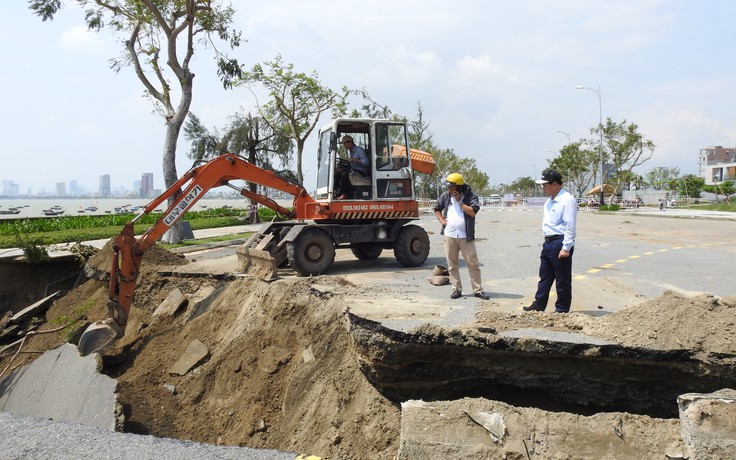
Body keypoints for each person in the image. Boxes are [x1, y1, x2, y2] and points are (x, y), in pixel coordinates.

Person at [523, 168, 578, 313]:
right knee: (545, 276)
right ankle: (539, 304)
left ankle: (561, 309)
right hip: (548, 243)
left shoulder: (567, 200)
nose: (543, 188)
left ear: (554, 184)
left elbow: (570, 226)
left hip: (560, 242)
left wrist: (566, 247)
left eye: (544, 185)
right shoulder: (550, 201)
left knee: (562, 279)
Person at [433, 173, 490, 300]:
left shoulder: (471, 196)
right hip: (450, 235)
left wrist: (460, 202)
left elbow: (472, 212)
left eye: (451, 187)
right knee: (452, 264)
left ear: (458, 187)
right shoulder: (445, 196)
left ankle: (478, 290)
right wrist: (442, 220)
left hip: (466, 236)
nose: (448, 189)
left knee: (473, 263)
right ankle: (456, 289)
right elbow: (436, 208)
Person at [337, 135, 369, 199]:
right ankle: (337, 192)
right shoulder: (351, 152)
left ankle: (345, 195)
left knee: (345, 175)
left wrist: (353, 159)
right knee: (338, 173)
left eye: (345, 144)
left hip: (362, 171)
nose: (344, 145)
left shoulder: (359, 150)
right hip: (354, 170)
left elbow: (366, 162)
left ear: (350, 143)